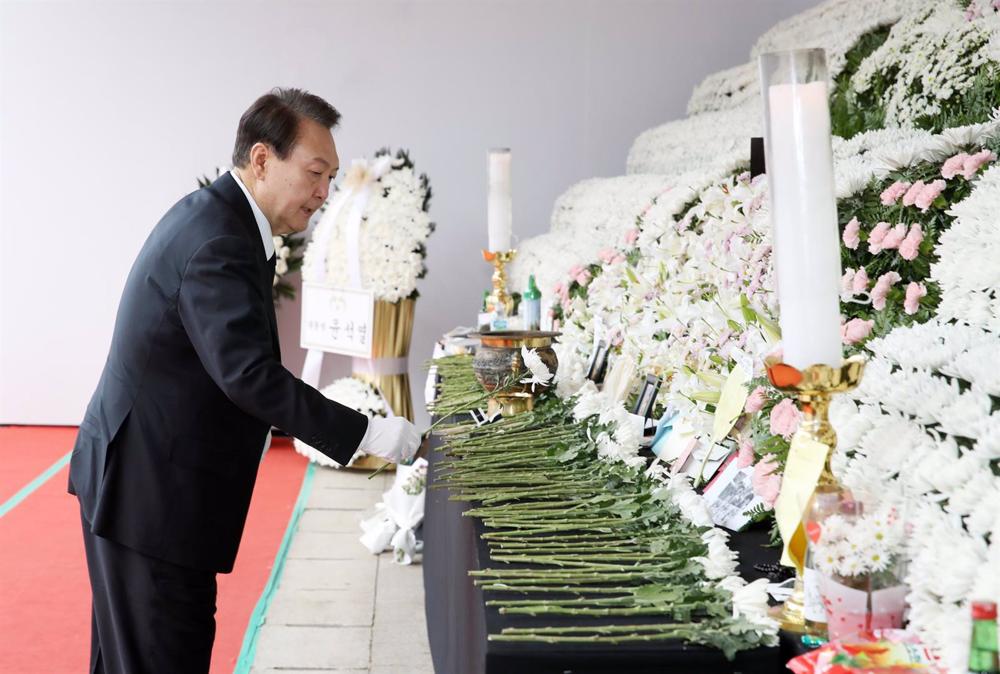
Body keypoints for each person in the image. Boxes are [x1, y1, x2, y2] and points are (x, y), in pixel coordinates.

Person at [67, 87, 421, 674]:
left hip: (144, 482)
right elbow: (248, 376)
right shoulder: (220, 239)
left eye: (331, 177)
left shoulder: (220, 217)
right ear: (262, 160)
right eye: (314, 173)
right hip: (148, 496)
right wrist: (372, 434)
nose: (324, 194)